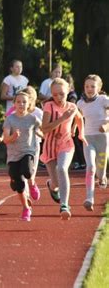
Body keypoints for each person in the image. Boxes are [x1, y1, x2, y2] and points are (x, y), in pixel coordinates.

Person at [41, 78, 86, 220]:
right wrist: (62, 119)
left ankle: (64, 205)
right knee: (55, 183)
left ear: (68, 91)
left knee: (62, 169)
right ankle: (51, 186)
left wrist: (80, 134)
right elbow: (44, 129)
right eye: (55, 95)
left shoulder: (72, 106)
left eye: (61, 94)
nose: (58, 98)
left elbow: (79, 118)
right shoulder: (49, 106)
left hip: (66, 144)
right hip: (50, 146)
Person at [2, 91, 41, 221]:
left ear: (29, 103)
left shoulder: (33, 119)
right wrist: (13, 137)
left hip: (28, 151)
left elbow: (41, 131)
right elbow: (6, 139)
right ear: (14, 104)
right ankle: (26, 208)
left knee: (27, 172)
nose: (21, 104)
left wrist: (47, 136)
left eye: (24, 102)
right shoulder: (10, 119)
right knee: (18, 185)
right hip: (13, 155)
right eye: (18, 102)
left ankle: (32, 184)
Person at [77, 75, 109, 211]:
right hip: (88, 138)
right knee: (90, 167)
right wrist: (74, 130)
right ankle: (89, 198)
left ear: (99, 88)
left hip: (102, 138)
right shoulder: (80, 103)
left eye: (92, 86)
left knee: (100, 170)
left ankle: (102, 178)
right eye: (86, 86)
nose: (89, 89)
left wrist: (106, 126)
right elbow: (77, 118)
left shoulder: (104, 100)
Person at [65, 74, 86, 170]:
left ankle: (81, 162)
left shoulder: (72, 96)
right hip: (70, 121)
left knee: (77, 142)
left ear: (71, 86)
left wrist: (74, 125)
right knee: (74, 141)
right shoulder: (65, 96)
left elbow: (73, 111)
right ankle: (78, 161)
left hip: (74, 121)